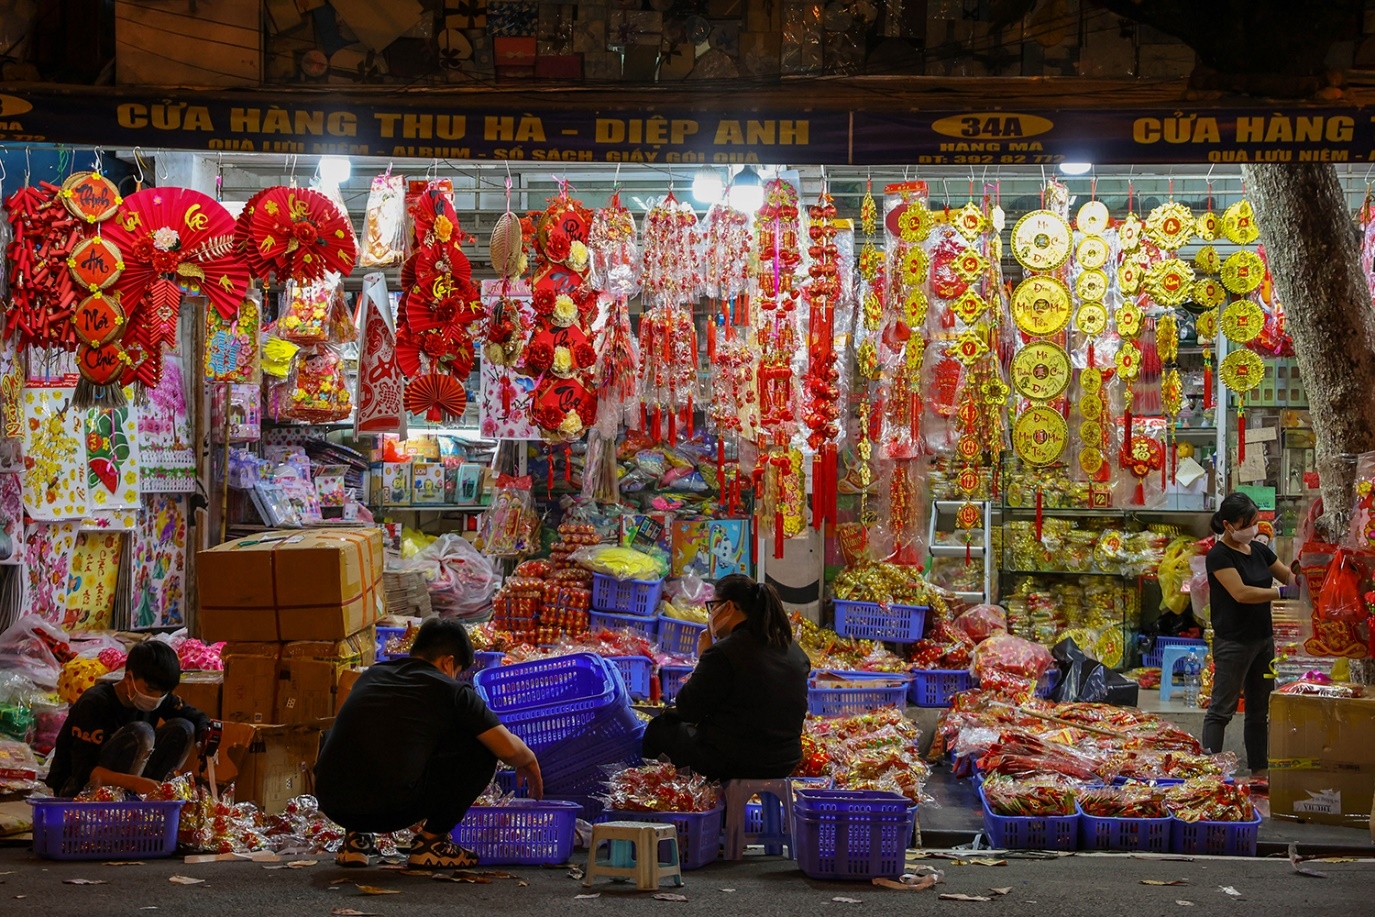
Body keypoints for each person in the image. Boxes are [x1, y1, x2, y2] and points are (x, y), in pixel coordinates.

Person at [315, 617, 543, 869]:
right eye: (458, 671)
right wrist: (529, 759)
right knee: (481, 747)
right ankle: (431, 843)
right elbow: (508, 749)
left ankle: (355, 840)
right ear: (448, 663)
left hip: (332, 802)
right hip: (391, 808)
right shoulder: (452, 690)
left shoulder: (372, 675)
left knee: (353, 735)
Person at [642, 574, 810, 781]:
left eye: (713, 606)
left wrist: (704, 656)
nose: (710, 615)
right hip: (785, 760)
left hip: (737, 760)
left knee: (658, 730)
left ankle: (664, 802)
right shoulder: (793, 650)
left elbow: (688, 709)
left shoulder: (724, 652)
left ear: (728, 607)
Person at [1203, 492, 1299, 783]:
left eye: (1257, 522)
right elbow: (1241, 593)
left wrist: (1310, 572)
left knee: (1259, 710)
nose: (1254, 528)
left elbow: (1288, 578)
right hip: (1233, 641)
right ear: (1229, 524)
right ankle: (1208, 772)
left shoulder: (1258, 551)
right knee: (1222, 708)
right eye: (1249, 523)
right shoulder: (1218, 555)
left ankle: (1259, 771)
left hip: (1262, 640)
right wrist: (1280, 593)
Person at [47, 641, 210, 798]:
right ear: (128, 677)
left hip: (129, 782)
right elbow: (83, 771)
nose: (156, 697)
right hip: (75, 786)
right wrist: (135, 783)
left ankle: (154, 795)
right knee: (141, 733)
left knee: (184, 728)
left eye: (163, 692)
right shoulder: (95, 703)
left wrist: (206, 736)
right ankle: (127, 800)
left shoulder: (160, 698)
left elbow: (198, 717)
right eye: (150, 689)